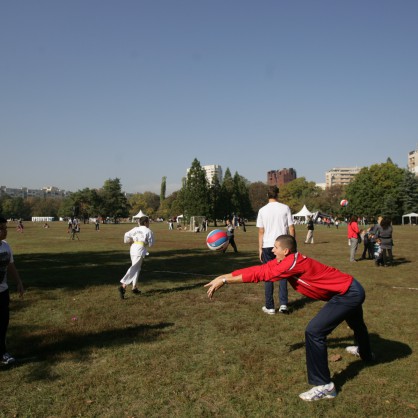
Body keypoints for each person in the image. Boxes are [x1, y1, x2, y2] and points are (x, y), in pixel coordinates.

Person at [204, 234, 374, 401]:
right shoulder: (288, 260)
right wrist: (225, 276)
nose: (272, 249)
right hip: (350, 288)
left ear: (285, 251)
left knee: (314, 332)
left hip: (348, 294)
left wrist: (226, 280)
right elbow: (261, 269)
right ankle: (366, 354)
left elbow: (262, 275)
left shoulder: (292, 264)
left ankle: (324, 386)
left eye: (276, 247)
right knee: (357, 324)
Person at [256, 185, 295, 315]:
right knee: (283, 275)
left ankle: (270, 306)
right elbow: (291, 228)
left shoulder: (262, 210)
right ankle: (283, 304)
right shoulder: (285, 208)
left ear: (267, 195)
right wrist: (292, 246)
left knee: (268, 275)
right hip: (283, 245)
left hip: (267, 245)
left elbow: (261, 231)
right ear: (278, 194)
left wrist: (260, 248)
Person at [0, 217, 25, 365]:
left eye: (5, 228)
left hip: (3, 292)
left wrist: (19, 282)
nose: (5, 231)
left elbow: (10, 266)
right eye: (1, 228)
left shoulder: (6, 246)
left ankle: (2, 352)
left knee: (3, 323)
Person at [119, 216, 154, 299]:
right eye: (148, 222)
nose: (149, 223)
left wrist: (129, 241)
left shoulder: (135, 229)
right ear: (145, 223)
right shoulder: (148, 231)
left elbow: (126, 235)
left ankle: (134, 287)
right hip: (139, 249)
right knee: (134, 267)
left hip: (133, 248)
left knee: (137, 268)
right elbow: (151, 244)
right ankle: (123, 286)